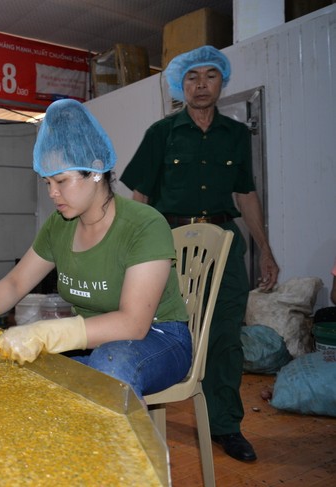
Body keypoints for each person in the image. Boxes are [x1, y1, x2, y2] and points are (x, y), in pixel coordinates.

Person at [0, 98, 193, 399]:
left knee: (109, 367)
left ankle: (122, 447)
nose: (52, 193)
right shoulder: (59, 225)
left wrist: (47, 332)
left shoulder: (144, 225)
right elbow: (16, 282)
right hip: (92, 339)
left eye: (61, 180)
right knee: (29, 376)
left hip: (158, 338)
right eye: (47, 182)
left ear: (96, 169)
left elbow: (133, 323)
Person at [120, 45, 280, 463]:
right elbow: (138, 197)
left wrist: (265, 249)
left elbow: (245, 193)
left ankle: (227, 425)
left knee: (225, 336)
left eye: (210, 75)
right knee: (161, 328)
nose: (202, 84)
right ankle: (143, 410)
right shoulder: (161, 133)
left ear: (221, 82)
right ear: (181, 86)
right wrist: (135, 251)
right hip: (171, 239)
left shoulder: (236, 135)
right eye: (193, 77)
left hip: (224, 241)